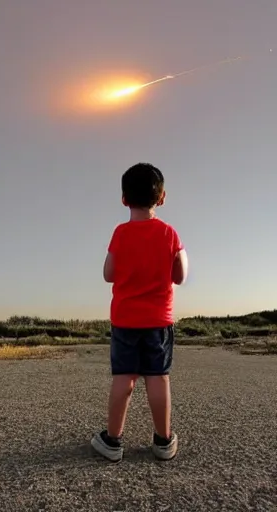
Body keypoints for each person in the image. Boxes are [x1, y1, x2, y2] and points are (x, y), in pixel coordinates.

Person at [91, 162, 188, 463]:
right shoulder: (170, 234)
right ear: (162, 198)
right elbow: (181, 274)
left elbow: (108, 273)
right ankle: (162, 440)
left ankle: (112, 441)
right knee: (158, 378)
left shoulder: (120, 233)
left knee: (124, 378)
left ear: (124, 199)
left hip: (125, 320)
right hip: (159, 321)